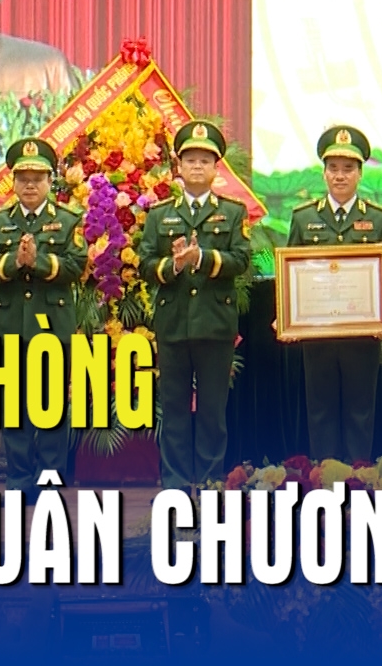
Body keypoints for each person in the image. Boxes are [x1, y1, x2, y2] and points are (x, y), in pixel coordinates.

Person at [282, 126, 382, 463]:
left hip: (362, 335)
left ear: (360, 173)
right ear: (324, 173)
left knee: (360, 410)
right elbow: (288, 271)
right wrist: (286, 315)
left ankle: (358, 478)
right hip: (317, 334)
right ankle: (325, 479)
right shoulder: (303, 217)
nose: (340, 176)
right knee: (320, 410)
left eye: (348, 168)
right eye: (333, 168)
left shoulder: (380, 219)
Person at [138, 121, 253, 488]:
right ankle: (173, 484)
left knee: (211, 412)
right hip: (173, 324)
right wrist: (173, 265)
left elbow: (241, 260)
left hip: (215, 324)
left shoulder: (233, 213)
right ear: (179, 167)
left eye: (205, 160)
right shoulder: (160, 214)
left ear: (217, 168)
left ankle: (210, 483)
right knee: (173, 410)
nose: (197, 167)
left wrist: (202, 258)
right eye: (190, 160)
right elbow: (144, 264)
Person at [0, 137, 88, 490]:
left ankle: (50, 479)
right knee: (14, 409)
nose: (30, 185)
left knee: (51, 408)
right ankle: (19, 479)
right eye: (23, 178)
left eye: (37, 178)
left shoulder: (68, 220)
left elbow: (77, 265)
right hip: (10, 325)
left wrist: (38, 262)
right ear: (13, 181)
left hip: (52, 327)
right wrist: (14, 261)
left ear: (50, 181)